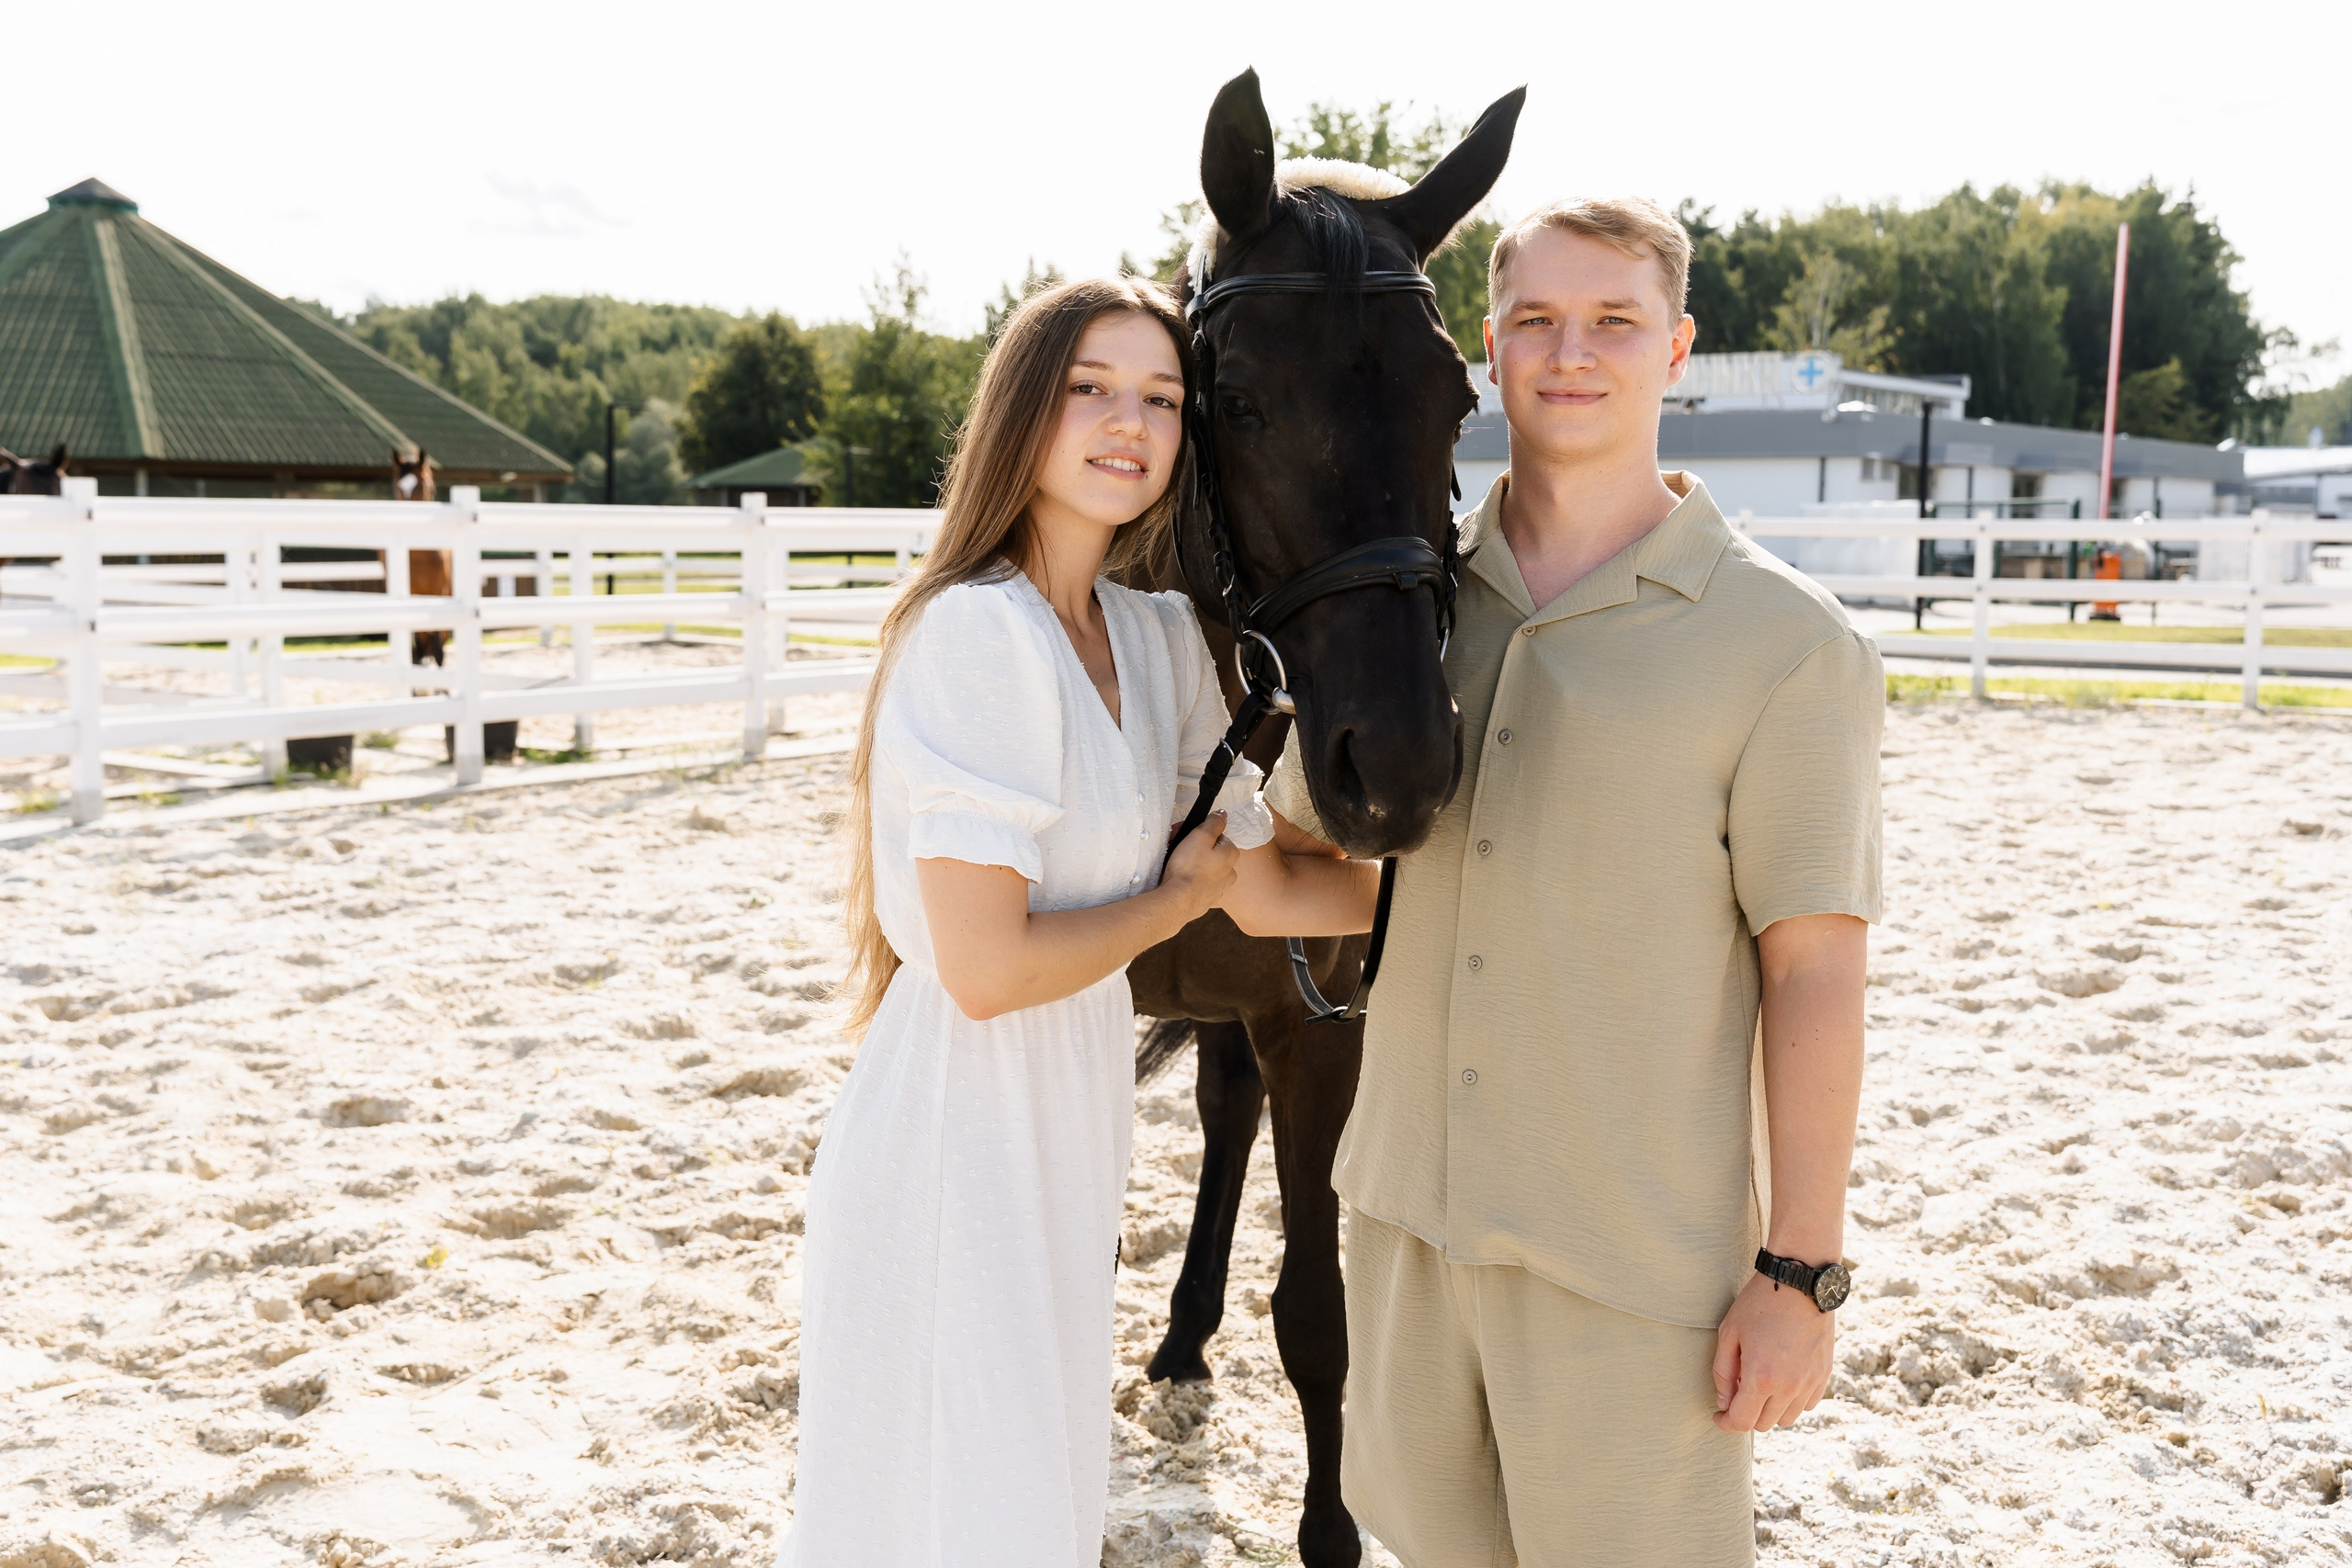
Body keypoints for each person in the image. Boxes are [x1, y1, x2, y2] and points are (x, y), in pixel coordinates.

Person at [1265, 198, 1883, 1565]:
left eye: (1614, 321)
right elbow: (1308, 875)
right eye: (1537, 319)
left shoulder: (1787, 646)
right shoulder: (1408, 611)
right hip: (1407, 1230)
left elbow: (1816, 973)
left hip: (1629, 1263)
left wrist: (1802, 1275)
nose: (1571, 352)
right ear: (1488, 346)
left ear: (1678, 352)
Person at [781, 276, 1378, 1568]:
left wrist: (1415, 897)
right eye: (1091, 389)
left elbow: (1262, 887)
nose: (1132, 421)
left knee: (1039, 1510)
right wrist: (1174, 899)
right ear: (1020, 415)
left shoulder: (1150, 637)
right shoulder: (975, 635)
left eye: (1161, 399)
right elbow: (990, 970)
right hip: (952, 1134)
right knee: (960, 1518)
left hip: (1066, 1132)